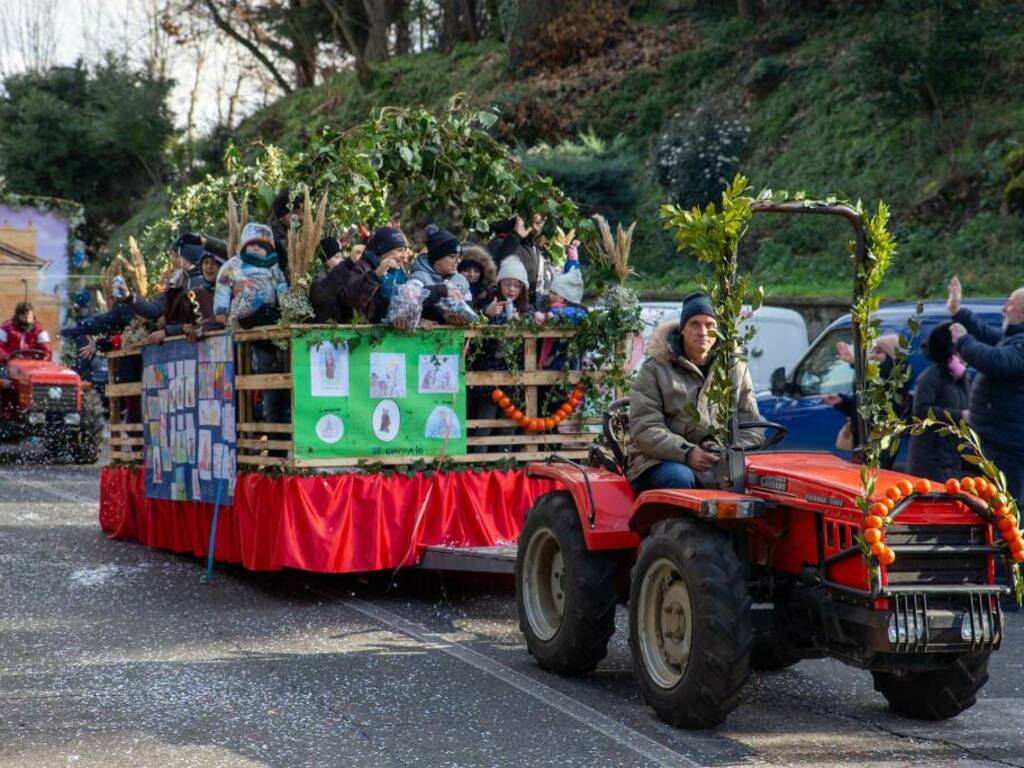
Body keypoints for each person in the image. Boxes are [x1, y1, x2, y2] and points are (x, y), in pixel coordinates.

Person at [626, 292, 764, 491]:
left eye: (710, 325)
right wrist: (687, 452)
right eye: (694, 324)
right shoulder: (656, 368)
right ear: (682, 329)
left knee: (764, 479)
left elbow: (751, 426)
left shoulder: (735, 369)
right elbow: (645, 428)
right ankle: (673, 522)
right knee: (680, 478)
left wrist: (725, 452)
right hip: (659, 459)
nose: (703, 332)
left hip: (718, 460)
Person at [947, 275, 1024, 501]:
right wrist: (958, 311)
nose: (1003, 308)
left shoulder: (1020, 345)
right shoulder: (1015, 339)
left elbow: (996, 361)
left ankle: (1009, 536)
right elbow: (987, 335)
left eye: (1009, 303)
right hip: (1000, 439)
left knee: (1008, 502)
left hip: (1009, 444)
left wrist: (963, 341)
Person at [214, 222, 290, 423]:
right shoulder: (235, 265)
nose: (256, 249)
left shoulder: (274, 267)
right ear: (243, 246)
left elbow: (281, 285)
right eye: (252, 245)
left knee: (281, 389)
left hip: (271, 319)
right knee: (267, 382)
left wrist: (286, 303)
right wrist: (221, 310)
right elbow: (223, 284)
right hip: (249, 317)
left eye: (261, 246)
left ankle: (279, 436)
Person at [906, 322, 970, 482]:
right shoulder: (932, 376)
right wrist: (960, 415)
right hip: (930, 456)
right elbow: (921, 409)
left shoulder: (961, 379)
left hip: (951, 457)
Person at [339, 226, 415, 324]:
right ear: (384, 251)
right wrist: (377, 274)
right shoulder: (362, 266)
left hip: (392, 335)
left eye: (404, 250)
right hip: (364, 333)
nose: (404, 255)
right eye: (399, 250)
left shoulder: (400, 272)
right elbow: (350, 302)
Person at [409, 225, 465, 323]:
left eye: (459, 257)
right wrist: (420, 321)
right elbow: (408, 302)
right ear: (437, 257)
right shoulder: (419, 277)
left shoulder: (457, 278)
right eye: (452, 257)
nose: (458, 261)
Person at [457, 246, 497, 310]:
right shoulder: (449, 287)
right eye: (466, 270)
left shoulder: (489, 294)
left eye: (476, 271)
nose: (471, 275)